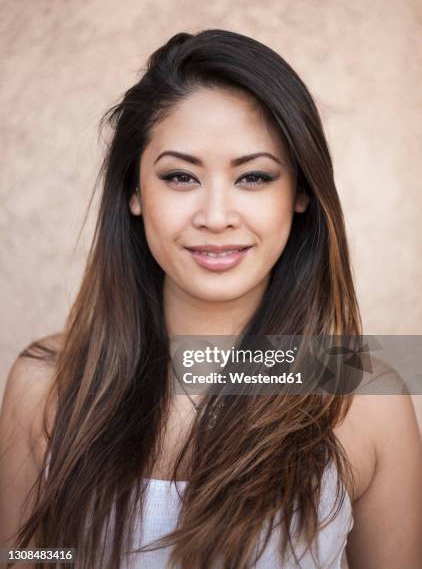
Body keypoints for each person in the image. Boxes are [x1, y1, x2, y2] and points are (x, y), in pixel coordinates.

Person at [0, 29, 421, 569]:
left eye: (254, 176)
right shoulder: (44, 384)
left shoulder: (368, 400)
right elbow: (28, 557)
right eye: (180, 176)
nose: (216, 216)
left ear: (299, 194)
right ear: (133, 191)